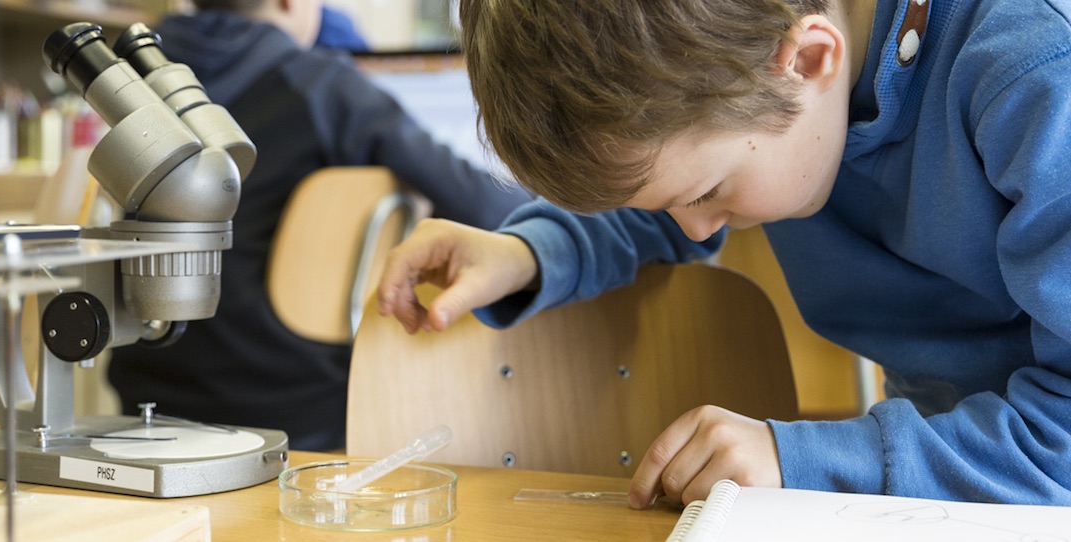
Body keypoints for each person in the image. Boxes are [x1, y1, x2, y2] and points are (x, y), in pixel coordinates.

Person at [375, 0, 1071, 506]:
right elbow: (673, 194)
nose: (699, 228)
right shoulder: (773, 98)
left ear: (808, 59)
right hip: (940, 491)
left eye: (710, 191)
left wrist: (805, 458)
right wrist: (529, 251)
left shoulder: (1035, 70)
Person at [108, 0, 532, 451]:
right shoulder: (321, 86)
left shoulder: (126, 86)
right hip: (291, 411)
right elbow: (488, 207)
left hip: (146, 394)